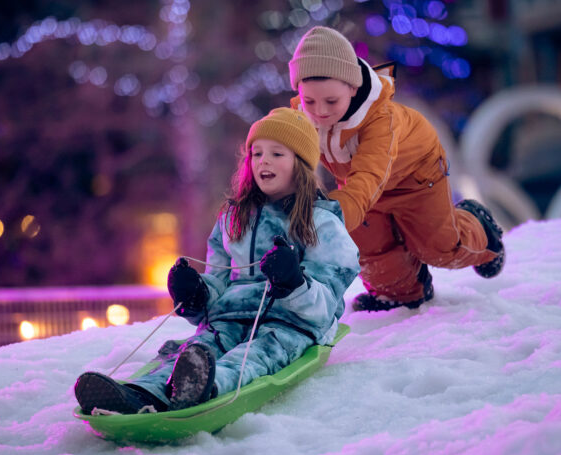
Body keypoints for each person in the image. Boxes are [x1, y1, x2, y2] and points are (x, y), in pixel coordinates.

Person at [74, 107, 360, 414]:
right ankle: (139, 394)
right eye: (257, 153)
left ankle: (205, 388)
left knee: (254, 355)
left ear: (301, 165)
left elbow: (326, 305)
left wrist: (293, 283)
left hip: (289, 324)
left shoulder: (322, 224)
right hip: (230, 318)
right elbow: (218, 283)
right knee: (200, 349)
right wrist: (196, 294)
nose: (263, 160)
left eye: (277, 154)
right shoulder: (234, 219)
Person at [287, 25, 505, 313]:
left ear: (352, 88)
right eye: (310, 100)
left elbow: (370, 175)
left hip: (414, 178)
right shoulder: (302, 119)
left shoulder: (379, 120)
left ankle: (478, 227)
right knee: (370, 250)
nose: (320, 111)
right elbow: (290, 161)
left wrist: (332, 216)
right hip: (359, 188)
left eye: (331, 101)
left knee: (437, 247)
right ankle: (402, 294)